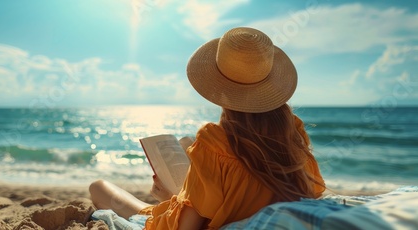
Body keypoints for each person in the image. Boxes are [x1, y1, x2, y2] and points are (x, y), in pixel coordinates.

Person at [89, 27, 325, 229]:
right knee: (185, 143)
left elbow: (189, 225)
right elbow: (307, 191)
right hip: (221, 204)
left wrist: (174, 197)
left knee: (98, 187)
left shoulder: (213, 140)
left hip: (191, 216)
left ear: (219, 87)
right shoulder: (293, 131)